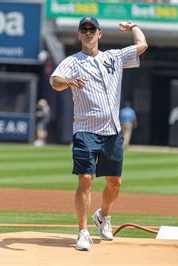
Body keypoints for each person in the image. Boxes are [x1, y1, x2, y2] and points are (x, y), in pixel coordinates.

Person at [50, 16, 148, 251]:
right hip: (85, 129)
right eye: (83, 30)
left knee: (115, 183)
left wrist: (134, 27)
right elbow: (54, 81)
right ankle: (83, 232)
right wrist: (68, 82)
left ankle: (103, 216)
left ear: (99, 34)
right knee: (85, 179)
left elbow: (142, 46)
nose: (88, 33)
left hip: (112, 131)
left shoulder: (112, 57)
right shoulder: (73, 61)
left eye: (91, 29)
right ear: (79, 35)